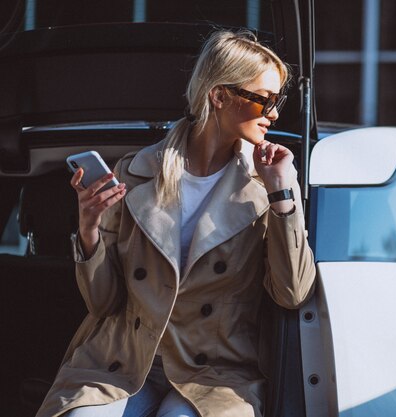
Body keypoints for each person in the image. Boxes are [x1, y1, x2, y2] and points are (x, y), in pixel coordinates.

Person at [36, 29, 316, 417]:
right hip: (123, 364)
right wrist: (88, 228)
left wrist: (283, 192)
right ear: (218, 96)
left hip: (214, 376)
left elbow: (292, 293)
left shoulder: (265, 182)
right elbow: (104, 304)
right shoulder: (136, 173)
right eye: (265, 100)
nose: (274, 113)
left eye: (278, 101)